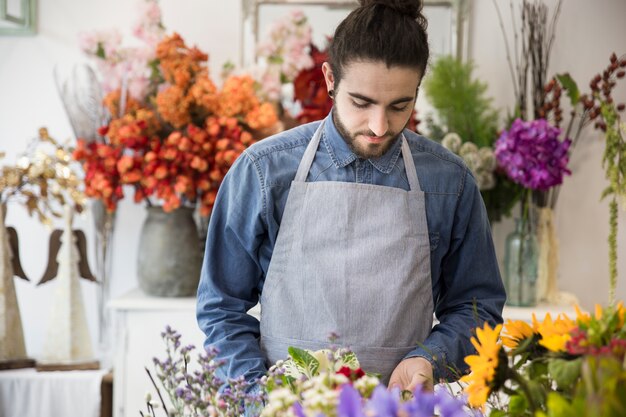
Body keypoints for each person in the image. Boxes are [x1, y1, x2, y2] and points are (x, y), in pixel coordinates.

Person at [197, 0, 505, 393]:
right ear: (329, 79)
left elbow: (477, 308)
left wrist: (430, 358)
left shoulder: (450, 182)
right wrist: (259, 397)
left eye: (400, 106)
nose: (379, 126)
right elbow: (221, 307)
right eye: (361, 103)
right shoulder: (263, 171)